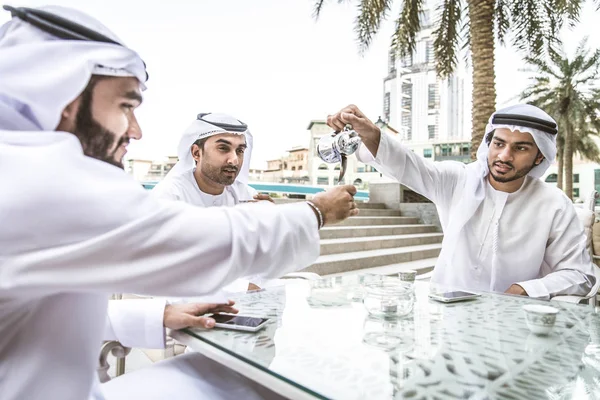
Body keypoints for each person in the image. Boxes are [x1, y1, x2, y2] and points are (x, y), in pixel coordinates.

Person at [0, 6, 359, 400]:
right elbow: (203, 243)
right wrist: (316, 211)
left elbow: (37, 309)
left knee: (243, 377)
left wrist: (153, 317)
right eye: (125, 107)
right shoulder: (35, 182)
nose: (135, 130)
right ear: (62, 95)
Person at [326, 103, 597, 299]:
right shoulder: (459, 180)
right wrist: (372, 134)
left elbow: (581, 275)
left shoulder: (554, 204)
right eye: (498, 143)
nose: (504, 156)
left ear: (540, 157)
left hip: (516, 328)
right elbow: (411, 166)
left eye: (520, 148)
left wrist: (525, 290)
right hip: (447, 319)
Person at [153, 113, 272, 292]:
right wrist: (245, 288)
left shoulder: (246, 195)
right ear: (196, 153)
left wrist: (273, 225)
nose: (234, 160)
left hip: (242, 300)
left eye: (240, 151)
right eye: (223, 148)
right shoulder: (169, 196)